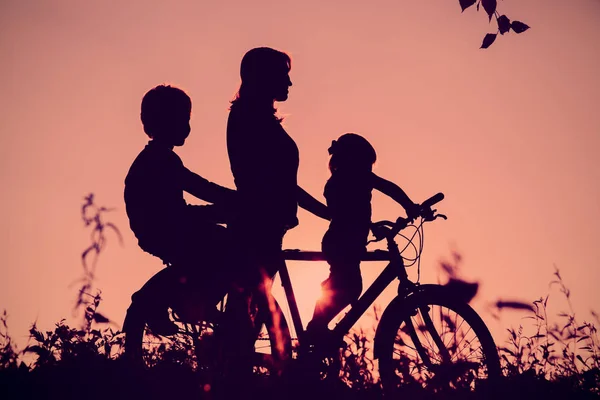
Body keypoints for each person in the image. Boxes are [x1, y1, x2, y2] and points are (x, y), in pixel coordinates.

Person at [224, 47, 329, 374]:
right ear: (263, 77)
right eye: (283, 75)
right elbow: (265, 180)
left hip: (269, 225)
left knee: (251, 310)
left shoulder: (257, 119)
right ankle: (230, 379)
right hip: (258, 227)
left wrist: (328, 213)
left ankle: (234, 377)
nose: (289, 83)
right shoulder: (249, 118)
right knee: (247, 313)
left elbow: (285, 184)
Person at [122, 85, 236, 343]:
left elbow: (194, 194)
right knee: (229, 245)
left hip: (163, 225)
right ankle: (182, 300)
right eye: (183, 120)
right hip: (168, 226)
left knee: (211, 244)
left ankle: (186, 298)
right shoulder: (160, 159)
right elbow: (200, 188)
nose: (186, 127)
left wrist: (226, 206)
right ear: (165, 122)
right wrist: (238, 200)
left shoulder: (155, 157)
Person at [305, 133, 420, 347]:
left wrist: (371, 226)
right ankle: (316, 327)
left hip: (345, 242)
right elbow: (388, 188)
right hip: (343, 243)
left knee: (343, 284)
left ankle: (318, 327)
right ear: (354, 160)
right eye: (367, 164)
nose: (369, 170)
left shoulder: (340, 181)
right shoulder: (353, 178)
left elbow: (350, 211)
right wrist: (410, 206)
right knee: (349, 286)